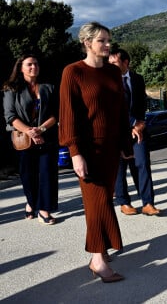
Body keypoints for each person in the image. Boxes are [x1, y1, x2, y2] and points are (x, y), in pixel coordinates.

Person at [59, 22, 132, 283]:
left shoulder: (113, 72)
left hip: (111, 149)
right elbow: (68, 117)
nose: (108, 45)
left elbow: (121, 110)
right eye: (102, 40)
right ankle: (98, 259)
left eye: (109, 40)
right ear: (87, 43)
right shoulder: (73, 72)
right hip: (89, 150)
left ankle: (100, 251)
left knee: (103, 200)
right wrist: (75, 152)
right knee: (97, 202)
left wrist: (126, 144)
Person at [3, 55, 59, 224]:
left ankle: (44, 210)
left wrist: (41, 129)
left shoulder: (48, 87)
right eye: (29, 64)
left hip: (47, 137)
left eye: (35, 64)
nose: (33, 67)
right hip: (23, 139)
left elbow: (56, 114)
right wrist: (30, 132)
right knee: (29, 175)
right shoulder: (11, 88)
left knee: (47, 174)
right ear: (21, 68)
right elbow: (10, 116)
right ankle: (31, 202)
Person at [108, 47, 160, 216]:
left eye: (115, 63)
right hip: (116, 131)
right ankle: (124, 202)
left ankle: (148, 203)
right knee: (120, 167)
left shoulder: (138, 79)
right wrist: (129, 127)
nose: (111, 67)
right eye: (109, 63)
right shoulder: (107, 81)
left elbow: (141, 105)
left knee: (143, 163)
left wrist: (140, 124)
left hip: (138, 130)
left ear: (126, 63)